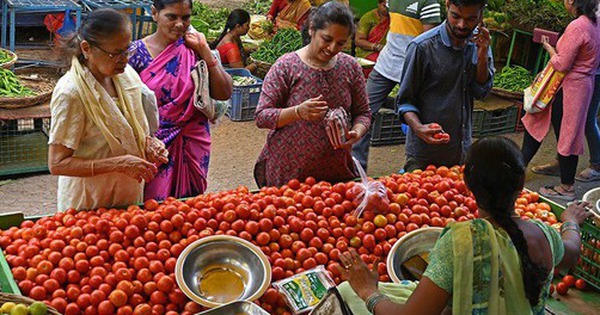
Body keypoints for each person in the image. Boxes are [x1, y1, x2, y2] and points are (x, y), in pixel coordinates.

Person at [339, 136, 592, 315]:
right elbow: (572, 251)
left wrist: (367, 291)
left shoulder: (461, 241)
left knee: (345, 294)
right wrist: (570, 221)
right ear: (520, 185)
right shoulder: (545, 234)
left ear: (468, 186)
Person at [48, 9, 169, 211]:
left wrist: (148, 143)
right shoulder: (71, 93)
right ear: (87, 49)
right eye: (115, 53)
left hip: (127, 196)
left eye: (127, 50)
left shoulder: (126, 75)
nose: (124, 59)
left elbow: (130, 129)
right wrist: (117, 164)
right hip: (89, 202)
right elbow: (57, 163)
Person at [254, 1, 371, 187]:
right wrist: (297, 112)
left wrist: (357, 132)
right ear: (311, 30)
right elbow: (262, 116)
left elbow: (363, 113)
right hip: (289, 171)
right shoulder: (287, 66)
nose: (332, 48)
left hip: (336, 171)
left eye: (340, 43)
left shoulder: (350, 67)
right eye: (326, 39)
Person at [128, 0, 232, 201]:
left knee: (191, 208)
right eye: (171, 17)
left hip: (192, 139)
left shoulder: (194, 48)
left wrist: (205, 51)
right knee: (154, 209)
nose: (179, 24)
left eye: (185, 18)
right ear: (155, 13)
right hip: (155, 145)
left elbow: (224, 92)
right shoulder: (135, 54)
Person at [394, 0, 493, 172]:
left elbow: (481, 92)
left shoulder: (480, 43)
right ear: (447, 5)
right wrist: (418, 128)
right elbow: (404, 102)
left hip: (461, 151)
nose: (462, 25)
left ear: (481, 15)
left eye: (471, 19)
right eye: (456, 16)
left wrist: (483, 56)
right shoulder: (422, 47)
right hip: (424, 156)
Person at [521, 0, 599, 200]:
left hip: (571, 87)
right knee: (549, 124)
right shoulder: (594, 22)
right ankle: (520, 166)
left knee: (567, 134)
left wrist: (549, 48)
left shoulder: (578, 26)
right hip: (579, 86)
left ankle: (567, 188)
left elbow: (562, 63)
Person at [351, 0, 442, 171]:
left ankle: (413, 167)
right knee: (363, 112)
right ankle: (356, 169)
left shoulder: (429, 3)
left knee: (418, 116)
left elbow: (428, 41)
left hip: (412, 66)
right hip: (386, 63)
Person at [212, 9, 258, 74]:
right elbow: (241, 72)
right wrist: (255, 66)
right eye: (247, 25)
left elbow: (240, 50)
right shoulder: (231, 48)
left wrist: (251, 50)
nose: (249, 28)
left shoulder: (232, 36)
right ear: (238, 26)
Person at [354, 0, 390, 77]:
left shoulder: (394, 18)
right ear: (378, 4)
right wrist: (377, 47)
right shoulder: (368, 18)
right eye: (384, 6)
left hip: (387, 53)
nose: (387, 9)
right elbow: (358, 40)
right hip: (367, 53)